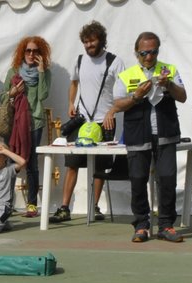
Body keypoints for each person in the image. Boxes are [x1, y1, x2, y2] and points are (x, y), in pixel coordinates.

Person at [111, 33, 188, 243]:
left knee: (167, 179)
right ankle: (142, 225)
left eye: (153, 51)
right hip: (137, 134)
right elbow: (117, 105)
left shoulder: (168, 70)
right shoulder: (127, 75)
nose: (149, 56)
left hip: (165, 133)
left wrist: (169, 85)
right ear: (137, 53)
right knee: (137, 180)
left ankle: (166, 225)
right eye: (144, 52)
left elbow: (183, 97)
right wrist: (136, 96)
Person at [50, 22, 121, 223]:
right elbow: (74, 83)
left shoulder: (115, 61)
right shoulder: (80, 60)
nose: (89, 45)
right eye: (85, 42)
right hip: (82, 121)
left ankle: (94, 206)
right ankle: (64, 208)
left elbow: (125, 89)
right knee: (72, 164)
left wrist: (113, 111)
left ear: (101, 40)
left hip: (104, 121)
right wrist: (71, 102)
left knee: (100, 166)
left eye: (92, 41)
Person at [1, 37, 52, 216]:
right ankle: (5, 202)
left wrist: (41, 72)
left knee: (31, 164)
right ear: (23, 52)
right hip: (15, 122)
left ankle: (31, 204)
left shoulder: (44, 72)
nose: (31, 54)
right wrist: (12, 93)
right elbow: (2, 98)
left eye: (35, 51)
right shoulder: (13, 72)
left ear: (41, 54)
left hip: (35, 121)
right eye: (28, 51)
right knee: (10, 161)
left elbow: (43, 95)